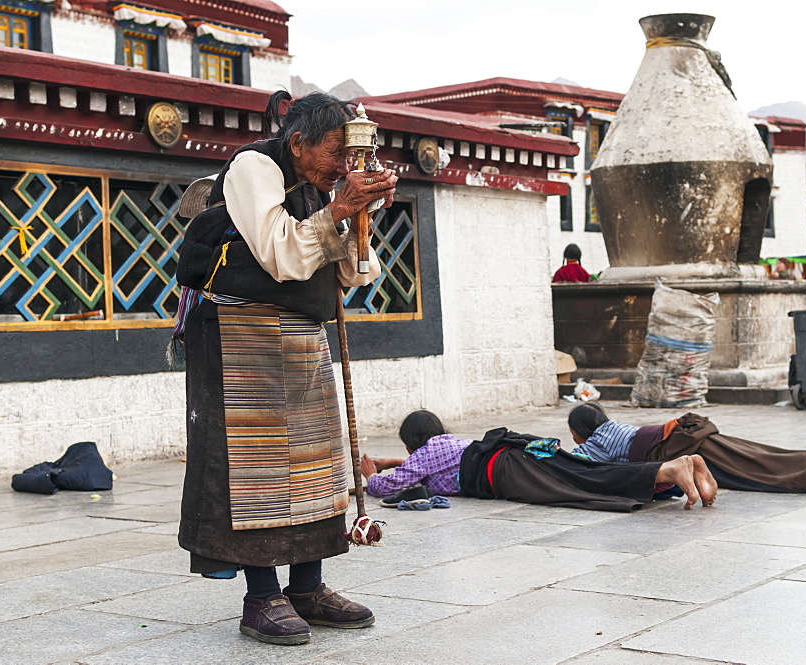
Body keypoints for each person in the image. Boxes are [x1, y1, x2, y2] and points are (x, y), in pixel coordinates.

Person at [176, 91, 398, 646]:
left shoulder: (325, 189)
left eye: (352, 156)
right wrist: (341, 209)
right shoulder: (256, 166)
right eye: (334, 153)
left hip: (300, 333)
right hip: (241, 333)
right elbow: (284, 255)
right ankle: (261, 597)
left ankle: (308, 586)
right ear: (297, 142)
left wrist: (361, 216)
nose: (344, 167)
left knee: (315, 461)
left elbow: (350, 276)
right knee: (262, 469)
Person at [361, 410, 719, 512]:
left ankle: (670, 469)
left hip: (507, 470)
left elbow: (387, 486)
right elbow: (424, 469)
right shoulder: (451, 443)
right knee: (587, 471)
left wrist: (370, 476)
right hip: (521, 452)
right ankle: (673, 467)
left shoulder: (427, 451)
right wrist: (394, 460)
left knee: (584, 483)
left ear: (414, 442)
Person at [566, 402, 806, 493]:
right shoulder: (613, 428)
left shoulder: (595, 443)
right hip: (687, 430)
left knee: (760, 469)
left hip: (677, 446)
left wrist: (533, 448)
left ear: (580, 431)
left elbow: (569, 461)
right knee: (760, 455)